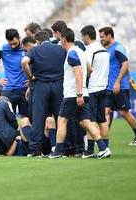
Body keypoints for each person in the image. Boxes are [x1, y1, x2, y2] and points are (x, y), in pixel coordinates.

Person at [49, 28, 111, 159]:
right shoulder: (81, 52)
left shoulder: (72, 53)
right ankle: (103, 148)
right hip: (84, 92)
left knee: (61, 120)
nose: (60, 42)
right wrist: (83, 87)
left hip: (73, 94)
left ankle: (58, 151)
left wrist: (78, 94)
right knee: (86, 122)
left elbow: (78, 71)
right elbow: (89, 69)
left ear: (64, 39)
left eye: (60, 40)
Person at [21, 30, 66, 157]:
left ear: (37, 41)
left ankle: (35, 150)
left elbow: (24, 62)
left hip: (41, 85)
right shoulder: (60, 49)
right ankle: (61, 149)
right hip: (58, 85)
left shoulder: (35, 50)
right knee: (60, 118)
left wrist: (30, 77)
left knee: (38, 118)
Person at [99, 27, 136, 145]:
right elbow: (120, 65)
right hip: (110, 86)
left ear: (109, 36)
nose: (101, 39)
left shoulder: (118, 48)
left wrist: (119, 81)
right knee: (105, 111)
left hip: (120, 86)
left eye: (102, 37)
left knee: (124, 113)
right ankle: (105, 142)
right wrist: (128, 75)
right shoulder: (107, 49)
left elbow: (125, 63)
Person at [81, 25, 110, 158]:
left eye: (82, 36)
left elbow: (88, 69)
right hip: (104, 87)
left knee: (90, 120)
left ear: (87, 36)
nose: (82, 39)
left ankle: (90, 150)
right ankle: (105, 147)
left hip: (92, 88)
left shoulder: (89, 50)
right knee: (102, 119)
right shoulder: (104, 50)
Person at [0, 28, 28, 118]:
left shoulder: (26, 48)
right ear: (7, 41)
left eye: (15, 43)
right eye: (10, 44)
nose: (13, 46)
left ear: (19, 38)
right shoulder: (2, 50)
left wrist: (31, 78)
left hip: (24, 89)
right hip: (9, 90)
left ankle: (23, 133)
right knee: (8, 119)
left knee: (26, 119)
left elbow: (35, 62)